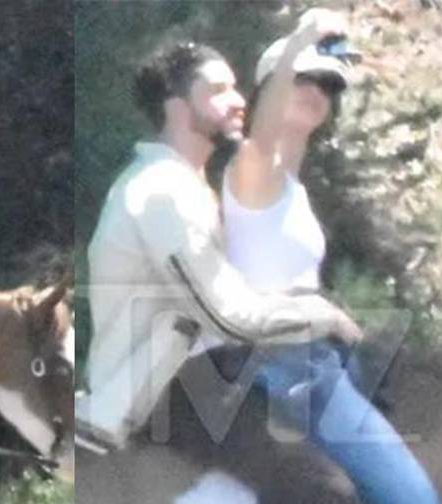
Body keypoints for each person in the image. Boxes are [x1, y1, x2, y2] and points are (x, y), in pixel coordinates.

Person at [222, 10, 442, 504]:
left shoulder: (288, 188)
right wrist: (302, 35)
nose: (318, 90)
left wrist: (329, 312)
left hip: (319, 358)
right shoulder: (251, 166)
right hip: (288, 368)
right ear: (270, 86)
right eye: (303, 79)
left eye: (329, 83)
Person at [82, 39, 361, 448]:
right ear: (176, 107)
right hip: (159, 404)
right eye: (217, 90)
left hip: (198, 384)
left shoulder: (188, 186)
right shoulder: (160, 192)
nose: (238, 101)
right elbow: (227, 318)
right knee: (324, 484)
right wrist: (324, 317)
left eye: (234, 87)